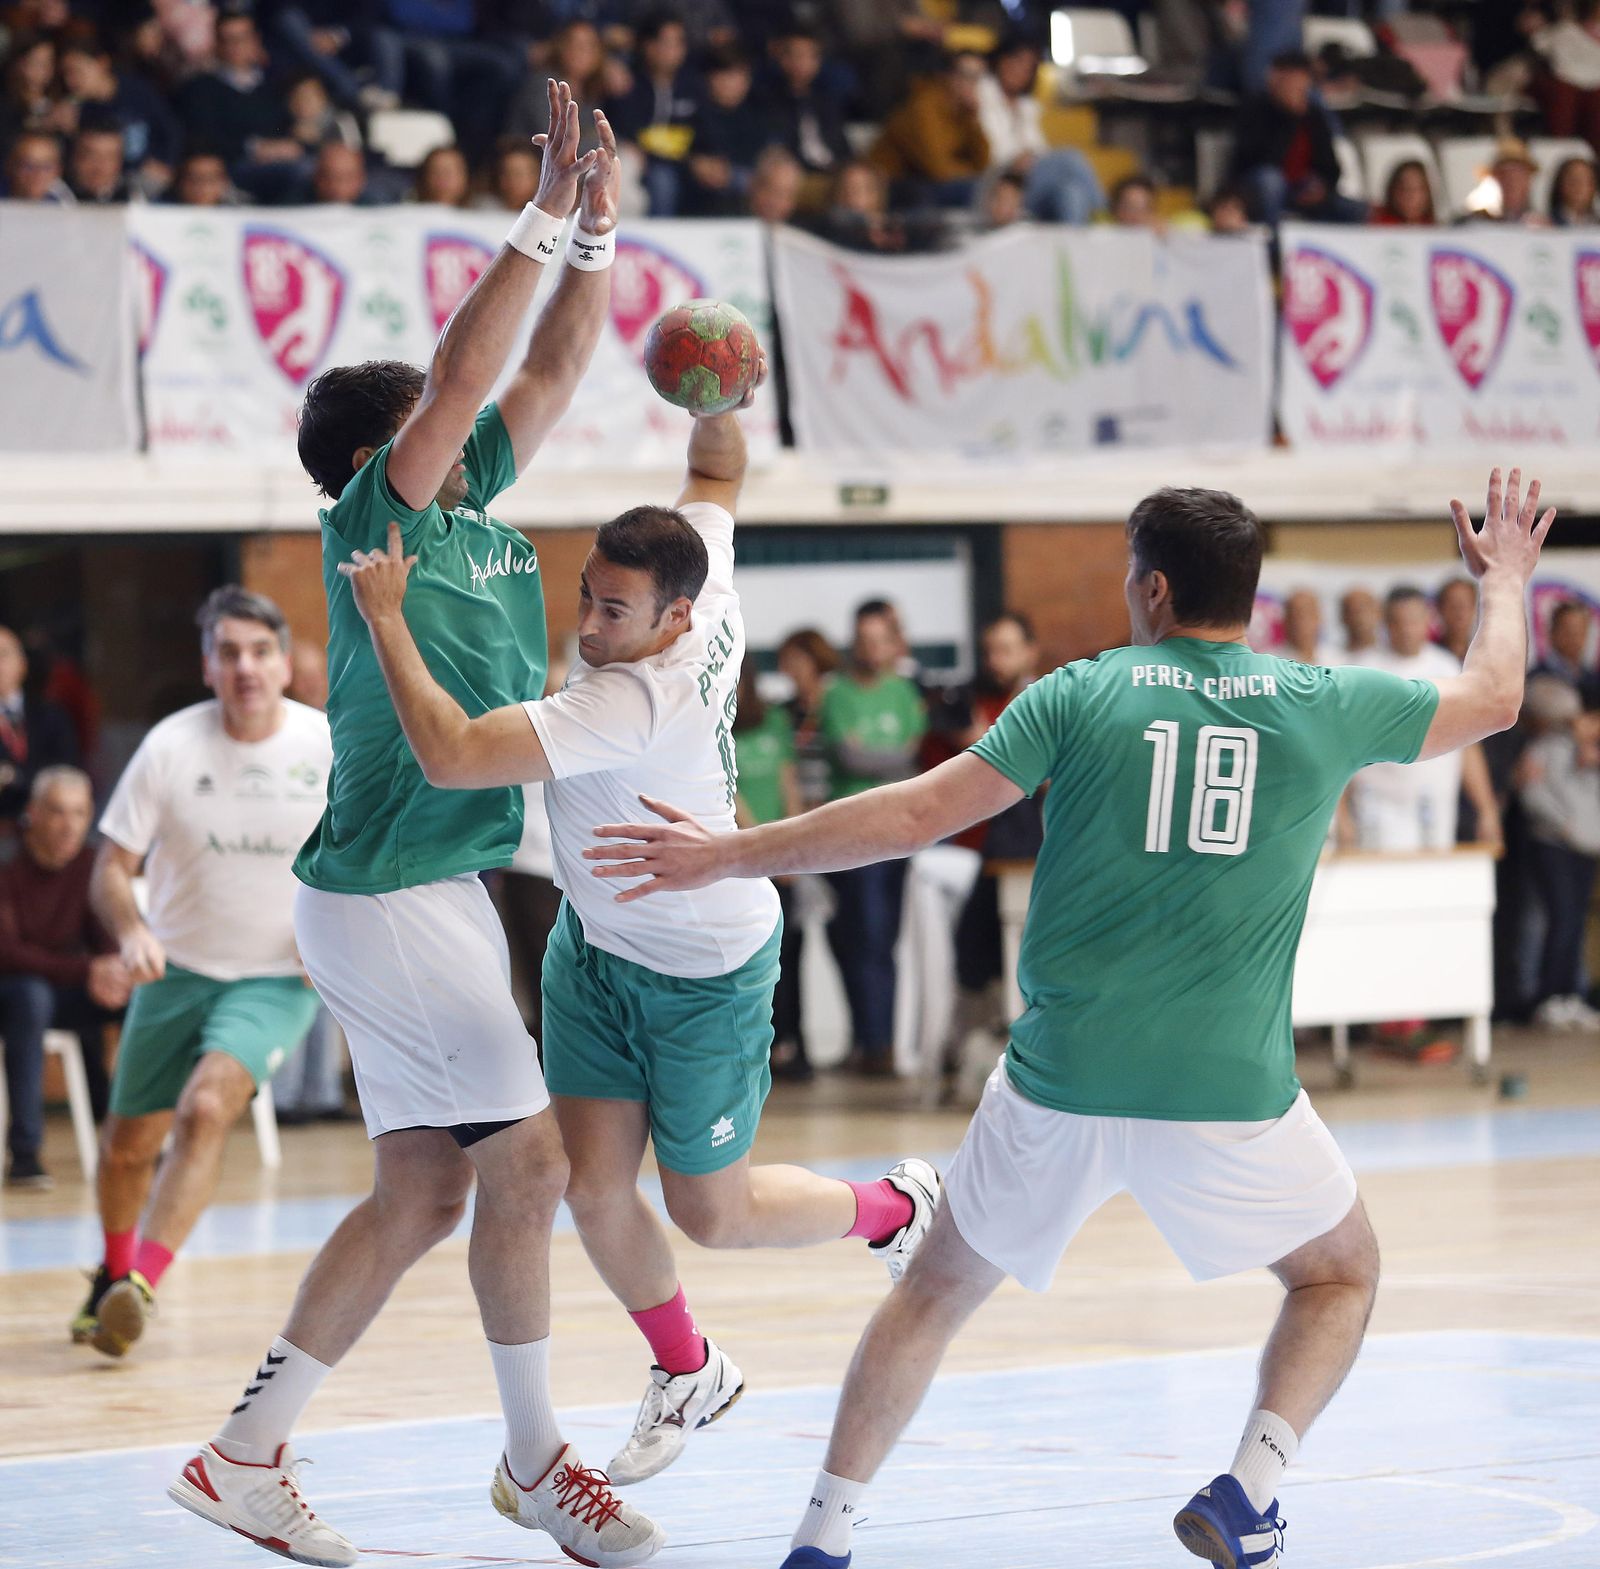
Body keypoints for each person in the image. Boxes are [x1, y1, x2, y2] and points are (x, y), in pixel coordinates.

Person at [584, 465, 1556, 1569]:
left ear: (1147, 590)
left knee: (933, 1293)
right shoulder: (1321, 703)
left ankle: (822, 1538)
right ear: (1248, 593)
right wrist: (1507, 578)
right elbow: (1495, 698)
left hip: (1058, 1081)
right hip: (1228, 1093)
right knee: (1338, 1273)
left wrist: (725, 855)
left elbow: (911, 815)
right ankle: (1251, 1489)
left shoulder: (1078, 695)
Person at [166, 86, 663, 1569]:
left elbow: (555, 367)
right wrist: (525, 214)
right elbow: (465, 375)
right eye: (436, 422)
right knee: (523, 1170)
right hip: (393, 885)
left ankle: (240, 1455)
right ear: (388, 452)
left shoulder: (474, 506)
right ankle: (533, 1463)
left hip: (407, 883)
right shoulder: (376, 517)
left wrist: (594, 230)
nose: (473, 423)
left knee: (429, 1189)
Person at [335, 358, 940, 1495]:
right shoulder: (698, 584)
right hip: (596, 949)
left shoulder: (624, 700)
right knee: (588, 1185)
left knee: (708, 1211)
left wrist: (385, 617)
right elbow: (715, 466)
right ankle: (687, 1368)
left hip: (704, 965)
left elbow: (453, 755)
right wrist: (717, 386)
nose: (591, 626)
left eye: (614, 612)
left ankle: (894, 1208)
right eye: (584, 600)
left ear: (674, 616)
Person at [75, 588, 330, 1357]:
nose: (245, 667)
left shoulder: (329, 746)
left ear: (284, 662)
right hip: (175, 968)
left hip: (277, 978)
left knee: (207, 1105)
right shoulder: (170, 746)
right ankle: (114, 1277)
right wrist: (130, 930)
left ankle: (144, 1282)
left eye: (259, 651)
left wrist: (347, 938)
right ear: (208, 666)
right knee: (126, 1146)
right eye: (229, 652)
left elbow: (370, 860)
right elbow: (110, 866)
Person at [1, 767, 129, 1191]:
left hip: (66, 989)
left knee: (143, 995)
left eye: (79, 813)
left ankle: (138, 1136)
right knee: (30, 997)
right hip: (12, 992)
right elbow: (8, 952)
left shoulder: (91, 864)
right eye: (57, 812)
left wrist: (112, 971)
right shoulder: (7, 864)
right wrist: (86, 969)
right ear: (33, 814)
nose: (69, 825)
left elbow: (105, 939)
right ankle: (25, 1155)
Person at [821, 600, 928, 1074]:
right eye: (863, 639)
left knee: (882, 937)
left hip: (899, 832)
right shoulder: (837, 693)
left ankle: (881, 1043)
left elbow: (912, 755)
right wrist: (889, 760)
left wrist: (880, 758)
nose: (871, 648)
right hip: (850, 832)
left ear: (892, 644)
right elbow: (849, 758)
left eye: (880, 639)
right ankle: (865, 1040)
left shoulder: (903, 692)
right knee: (853, 937)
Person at [1346, 586, 1502, 855]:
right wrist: (1341, 815)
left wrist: (1486, 808)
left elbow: (1468, 745)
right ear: (1387, 623)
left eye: (1414, 620)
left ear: (1428, 621)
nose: (1407, 629)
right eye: (1399, 621)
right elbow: (1343, 748)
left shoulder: (1448, 668)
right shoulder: (1363, 671)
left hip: (1434, 807)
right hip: (1378, 808)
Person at [731, 655, 807, 1077]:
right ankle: (754, 1050)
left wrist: (792, 842)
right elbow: (729, 789)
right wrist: (762, 842)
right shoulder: (712, 724)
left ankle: (793, 1044)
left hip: (780, 858)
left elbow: (787, 781)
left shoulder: (774, 721)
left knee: (790, 957)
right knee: (749, 959)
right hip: (745, 856)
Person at [1518, 676, 1600, 1031]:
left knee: (1575, 922)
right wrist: (1563, 825)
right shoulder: (1543, 748)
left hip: (1585, 847)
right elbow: (1532, 793)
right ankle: (1550, 998)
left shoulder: (1585, 750)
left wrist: (1586, 755)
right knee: (1561, 920)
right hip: (1554, 845)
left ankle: (1570, 997)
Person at [1229, 50, 1368, 226]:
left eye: (1303, 84)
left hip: (1302, 191)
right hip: (1258, 188)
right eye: (1293, 82)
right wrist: (1288, 118)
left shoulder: (1314, 115)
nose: (1300, 89)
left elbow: (1331, 167)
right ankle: (1274, 246)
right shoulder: (1255, 108)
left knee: (1354, 209)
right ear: (1276, 78)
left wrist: (1322, 187)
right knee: (1271, 183)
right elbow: (1253, 159)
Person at [977, 34, 1103, 225]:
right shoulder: (981, 94)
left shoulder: (1027, 107)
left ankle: (1076, 252)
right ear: (1002, 60)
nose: (1021, 71)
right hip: (1000, 180)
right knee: (1072, 159)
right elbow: (986, 149)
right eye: (1017, 62)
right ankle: (1105, 216)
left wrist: (1030, 158)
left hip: (1028, 180)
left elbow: (1039, 150)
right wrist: (1017, 158)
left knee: (1072, 192)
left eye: (1028, 68)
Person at [870, 51, 991, 208]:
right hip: (889, 182)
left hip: (925, 181)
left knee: (984, 190)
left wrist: (973, 120)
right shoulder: (923, 106)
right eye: (966, 75)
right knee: (972, 189)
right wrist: (969, 173)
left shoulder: (964, 113)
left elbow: (983, 164)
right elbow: (936, 168)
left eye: (977, 77)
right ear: (948, 75)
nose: (971, 83)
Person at [605, 10, 698, 216]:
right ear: (648, 45)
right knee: (662, 181)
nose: (673, 50)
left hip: (685, 162)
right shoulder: (627, 84)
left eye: (678, 43)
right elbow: (622, 128)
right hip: (647, 164)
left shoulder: (693, 86)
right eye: (666, 42)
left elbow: (701, 132)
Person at [0, 624, 80, 827]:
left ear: (22, 664)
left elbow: (66, 770)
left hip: (47, 827)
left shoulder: (51, 716)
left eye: (3, 654)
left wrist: (14, 777)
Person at [763, 25, 850, 186]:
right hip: (798, 178)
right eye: (795, 55)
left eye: (809, 56)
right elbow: (780, 150)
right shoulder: (768, 101)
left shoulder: (826, 100)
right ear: (781, 58)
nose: (801, 62)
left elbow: (842, 148)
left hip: (834, 176)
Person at [1531, 600, 1600, 709]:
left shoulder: (1593, 678)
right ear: (1552, 632)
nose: (1573, 638)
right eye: (1567, 630)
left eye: (1579, 631)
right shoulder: (1536, 678)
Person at [1465, 138, 1546, 226]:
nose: (1511, 181)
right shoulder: (1477, 220)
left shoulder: (1542, 224)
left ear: (1528, 180)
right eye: (1503, 175)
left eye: (1517, 175)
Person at [3, 126, 69, 200]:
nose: (38, 173)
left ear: (58, 170)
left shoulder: (63, 203)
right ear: (9, 166)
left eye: (47, 167)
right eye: (28, 165)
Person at [1373, 158, 1435, 225]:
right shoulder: (1376, 227)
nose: (1410, 196)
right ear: (1392, 191)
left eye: (1417, 189)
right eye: (1403, 188)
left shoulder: (1437, 230)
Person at [1281, 588, 1334, 665]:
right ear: (1286, 620)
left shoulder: (1337, 660)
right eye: (1294, 615)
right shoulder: (1273, 663)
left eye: (1308, 614)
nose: (1300, 622)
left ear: (1319, 617)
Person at [1435, 577, 1478, 666]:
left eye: (1464, 605)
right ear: (1439, 609)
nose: (1459, 612)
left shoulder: (1485, 650)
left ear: (1474, 608)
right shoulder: (1427, 652)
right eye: (1453, 606)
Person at [1550, 154, 1600, 225]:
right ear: (1560, 184)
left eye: (1587, 181)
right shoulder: (1546, 223)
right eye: (1574, 180)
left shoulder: (1596, 222)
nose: (1580, 187)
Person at [1338, 585, 1380, 661]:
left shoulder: (1394, 659)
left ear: (1378, 613)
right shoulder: (1332, 660)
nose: (1360, 617)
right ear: (1343, 617)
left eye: (1365, 610)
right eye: (1353, 611)